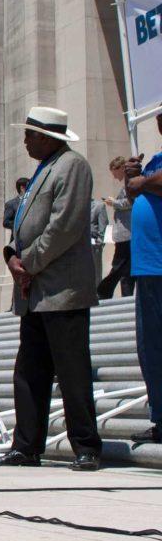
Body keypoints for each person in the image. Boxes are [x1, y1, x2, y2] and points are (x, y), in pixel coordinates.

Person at [0, 107, 102, 471]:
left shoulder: (72, 165)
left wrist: (31, 264)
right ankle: (26, 445)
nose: (24, 141)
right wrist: (12, 257)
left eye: (30, 135)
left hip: (60, 289)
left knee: (71, 371)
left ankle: (85, 445)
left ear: (49, 137)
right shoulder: (42, 169)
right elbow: (23, 225)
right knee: (29, 372)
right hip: (34, 293)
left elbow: (64, 226)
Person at [125, 113, 162, 444]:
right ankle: (160, 418)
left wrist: (142, 182)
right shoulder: (156, 160)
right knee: (150, 348)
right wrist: (133, 178)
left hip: (159, 264)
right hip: (148, 267)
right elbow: (136, 193)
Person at [98, 156, 135, 299]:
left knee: (119, 265)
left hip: (127, 232)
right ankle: (126, 293)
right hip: (126, 233)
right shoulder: (127, 182)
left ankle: (103, 291)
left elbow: (130, 202)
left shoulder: (130, 182)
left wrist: (114, 202)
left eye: (114, 172)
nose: (114, 176)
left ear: (120, 168)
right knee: (126, 268)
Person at [91, 198, 109, 284]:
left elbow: (104, 228)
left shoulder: (99, 206)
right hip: (78, 248)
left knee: (95, 275)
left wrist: (99, 243)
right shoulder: (75, 207)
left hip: (93, 247)